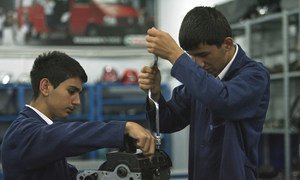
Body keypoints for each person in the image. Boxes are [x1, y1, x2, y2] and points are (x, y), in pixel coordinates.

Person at [138, 6, 270, 180]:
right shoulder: (201, 82)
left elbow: (224, 101)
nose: (199, 64)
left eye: (203, 55)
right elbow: (166, 122)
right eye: (192, 57)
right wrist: (155, 94)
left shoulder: (254, 76)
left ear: (227, 44)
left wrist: (175, 55)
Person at [1, 51, 155, 180]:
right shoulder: (22, 134)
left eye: (79, 93)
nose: (77, 102)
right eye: (71, 91)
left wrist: (117, 169)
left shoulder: (43, 141)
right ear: (45, 87)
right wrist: (123, 128)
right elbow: (64, 137)